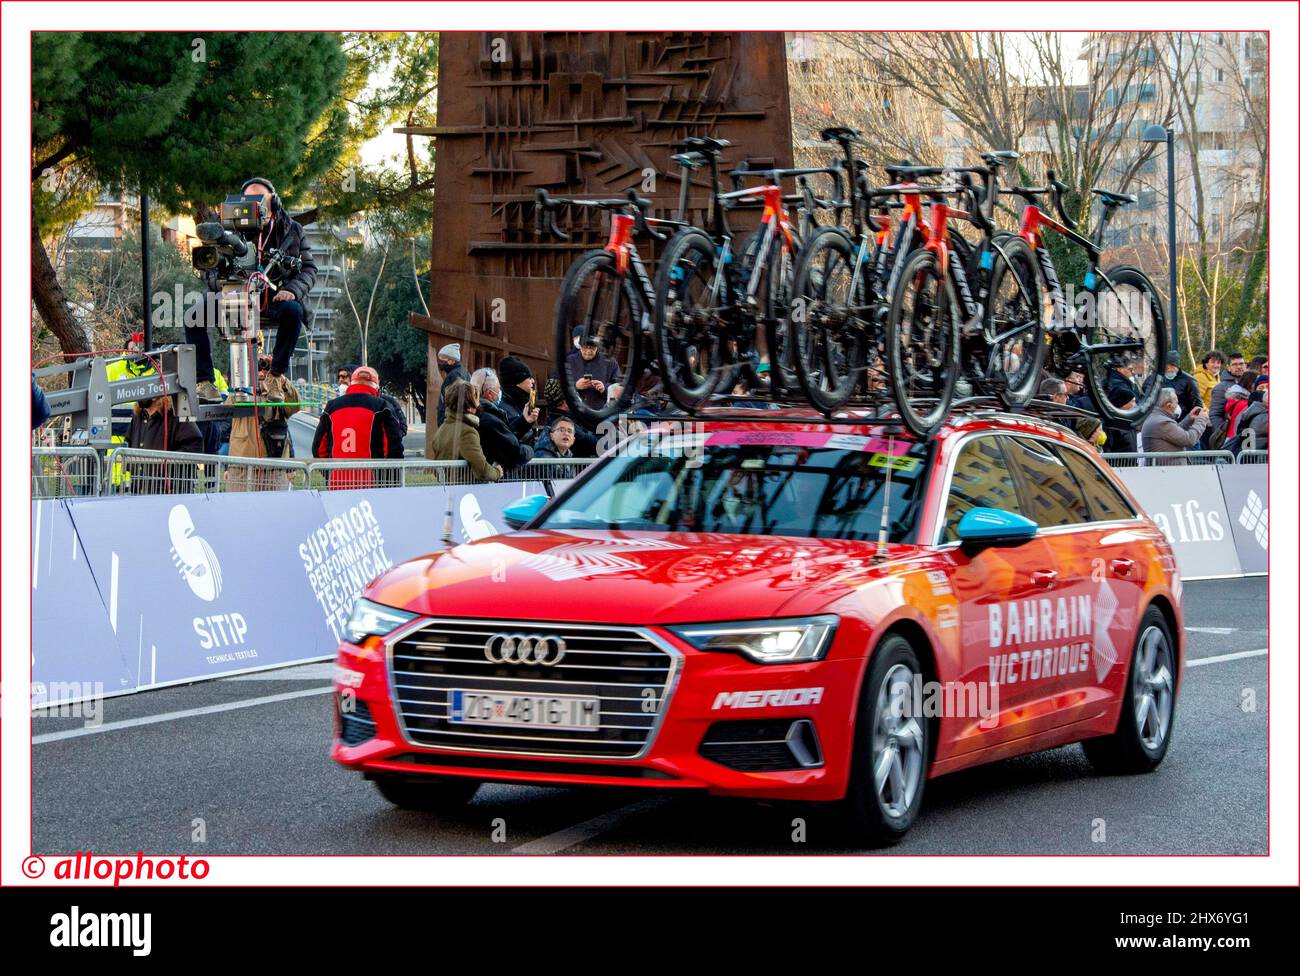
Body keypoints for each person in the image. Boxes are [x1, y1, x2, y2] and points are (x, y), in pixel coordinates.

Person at [184, 177, 317, 402]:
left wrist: (293, 290)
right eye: (248, 201)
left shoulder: (292, 230)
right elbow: (208, 266)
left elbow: (309, 269)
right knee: (193, 315)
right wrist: (221, 283)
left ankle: (275, 377)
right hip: (231, 292)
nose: (253, 207)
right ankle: (205, 381)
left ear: (273, 203)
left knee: (293, 312)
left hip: (274, 295)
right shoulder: (224, 228)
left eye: (259, 200)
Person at [312, 366, 404, 488]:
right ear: (376, 385)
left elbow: (318, 448)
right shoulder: (382, 406)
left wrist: (329, 474)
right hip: (373, 484)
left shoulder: (331, 407)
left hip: (337, 482)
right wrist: (389, 482)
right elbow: (394, 449)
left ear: (352, 382)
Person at [123, 394, 205, 493]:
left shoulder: (177, 414)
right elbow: (128, 441)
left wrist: (167, 466)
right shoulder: (138, 416)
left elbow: (194, 444)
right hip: (140, 488)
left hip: (168, 491)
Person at [430, 379, 502, 481]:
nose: (478, 404)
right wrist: (497, 472)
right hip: (464, 490)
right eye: (476, 400)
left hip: (447, 487)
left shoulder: (443, 428)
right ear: (469, 407)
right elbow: (482, 469)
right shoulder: (467, 432)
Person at [471, 366, 533, 470]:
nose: (501, 392)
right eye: (499, 388)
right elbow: (514, 451)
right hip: (493, 479)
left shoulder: (475, 413)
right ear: (489, 393)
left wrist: (524, 421)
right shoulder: (489, 419)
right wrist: (530, 450)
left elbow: (505, 435)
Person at [1139, 387, 1209, 465]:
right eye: (1176, 402)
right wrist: (1201, 420)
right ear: (1168, 405)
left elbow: (1174, 433)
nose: (1177, 406)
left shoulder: (1156, 418)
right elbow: (1189, 439)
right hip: (1167, 472)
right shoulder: (1162, 422)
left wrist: (1189, 419)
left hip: (1166, 470)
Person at [564, 333, 622, 413]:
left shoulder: (609, 362)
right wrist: (575, 386)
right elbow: (557, 383)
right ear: (579, 346)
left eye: (592, 348)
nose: (588, 351)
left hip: (601, 412)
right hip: (574, 413)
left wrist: (605, 388)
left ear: (597, 347)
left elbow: (619, 385)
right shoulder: (569, 361)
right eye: (585, 348)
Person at [497, 355, 541, 441]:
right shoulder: (503, 408)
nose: (533, 381)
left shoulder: (521, 401)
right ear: (518, 382)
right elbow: (508, 438)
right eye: (529, 378)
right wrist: (524, 421)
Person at [1101, 356, 1139, 453]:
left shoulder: (1116, 382)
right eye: (1130, 369)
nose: (1133, 372)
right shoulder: (1119, 386)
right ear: (1119, 369)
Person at [435, 343, 470, 425]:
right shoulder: (462, 372)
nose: (440, 362)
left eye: (442, 359)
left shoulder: (455, 375)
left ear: (452, 360)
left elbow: (453, 401)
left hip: (451, 422)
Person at [1160, 353, 1200, 418]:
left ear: (1176, 366)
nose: (1166, 371)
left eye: (1167, 368)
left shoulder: (1189, 381)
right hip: (1161, 418)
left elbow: (1197, 404)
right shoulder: (1158, 378)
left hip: (1183, 420)